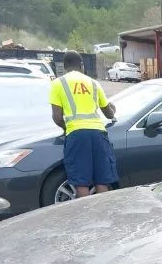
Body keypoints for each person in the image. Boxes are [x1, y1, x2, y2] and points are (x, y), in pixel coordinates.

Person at [50, 50, 117, 198]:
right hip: (99, 135)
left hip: (77, 135)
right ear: (81, 65)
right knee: (102, 180)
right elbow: (109, 113)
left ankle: (87, 218)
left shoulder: (57, 84)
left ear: (64, 66)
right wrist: (113, 109)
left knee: (82, 182)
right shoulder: (94, 83)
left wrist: (67, 128)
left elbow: (57, 117)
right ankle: (103, 214)